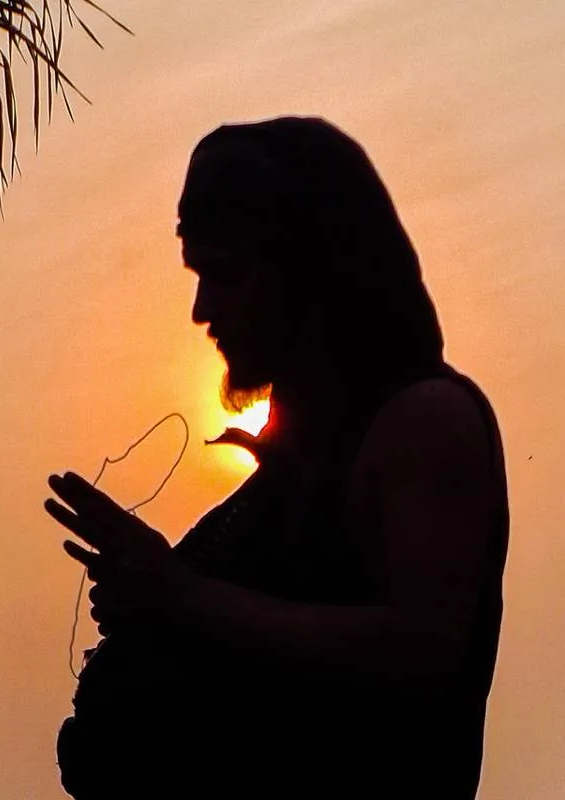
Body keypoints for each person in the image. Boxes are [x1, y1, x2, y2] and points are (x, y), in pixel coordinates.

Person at [45, 116, 509, 799]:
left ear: (311, 270)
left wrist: (182, 595)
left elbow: (423, 649)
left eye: (228, 275)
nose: (203, 309)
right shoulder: (292, 468)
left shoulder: (424, 420)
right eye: (198, 276)